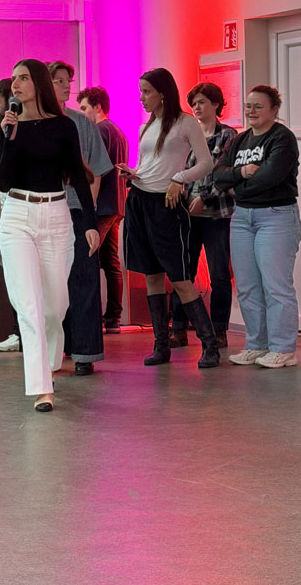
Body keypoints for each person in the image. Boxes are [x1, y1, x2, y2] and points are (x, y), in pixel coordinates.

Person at [0, 59, 99, 412]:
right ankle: (42, 388)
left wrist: (90, 223)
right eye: (13, 79)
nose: (16, 84)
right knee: (30, 306)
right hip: (17, 216)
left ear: (38, 83)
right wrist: (9, 138)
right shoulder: (6, 129)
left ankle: (51, 362)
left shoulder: (64, 126)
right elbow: (3, 182)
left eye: (23, 78)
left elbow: (78, 175)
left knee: (55, 306)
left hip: (56, 215)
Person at [119, 68, 220, 369]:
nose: (141, 98)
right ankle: (161, 346)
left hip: (166, 204)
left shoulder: (186, 123)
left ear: (163, 93)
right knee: (151, 275)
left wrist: (179, 178)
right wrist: (133, 173)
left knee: (180, 278)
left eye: (146, 91)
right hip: (139, 200)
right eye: (141, 92)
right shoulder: (146, 126)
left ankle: (210, 345)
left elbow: (206, 163)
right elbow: (148, 164)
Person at [213, 85, 301, 369]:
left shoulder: (282, 138)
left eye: (258, 106)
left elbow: (270, 177)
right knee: (247, 286)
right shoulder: (240, 140)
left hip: (275, 216)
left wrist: (236, 187)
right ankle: (256, 343)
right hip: (242, 218)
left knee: (276, 286)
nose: (251, 111)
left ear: (274, 110)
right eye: (248, 106)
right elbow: (217, 175)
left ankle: (283, 349)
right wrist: (241, 172)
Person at [48, 62, 112, 376]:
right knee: (50, 285)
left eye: (68, 80)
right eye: (58, 80)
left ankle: (85, 352)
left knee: (84, 280)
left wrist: (90, 214)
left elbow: (96, 171)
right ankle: (55, 348)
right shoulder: (32, 123)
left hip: (76, 210)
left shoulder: (82, 123)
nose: (66, 86)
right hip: (45, 210)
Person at [169, 82, 237, 350]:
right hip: (187, 213)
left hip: (216, 213)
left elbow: (225, 173)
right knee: (182, 270)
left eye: (202, 102)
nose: (197, 107)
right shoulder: (187, 135)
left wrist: (205, 197)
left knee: (219, 274)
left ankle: (219, 330)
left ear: (216, 104)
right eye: (194, 103)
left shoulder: (228, 135)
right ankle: (178, 327)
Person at [77, 85, 129, 334]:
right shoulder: (119, 132)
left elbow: (94, 169)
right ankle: (113, 318)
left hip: (103, 205)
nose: (81, 113)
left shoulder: (98, 131)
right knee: (111, 262)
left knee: (88, 257)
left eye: (84, 108)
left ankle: (93, 317)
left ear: (97, 107)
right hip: (117, 204)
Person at [0, 77, 20, 352]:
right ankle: (18, 330)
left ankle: (22, 332)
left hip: (23, 210)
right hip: (8, 208)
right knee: (11, 274)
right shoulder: (0, 134)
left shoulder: (18, 132)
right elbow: (1, 182)